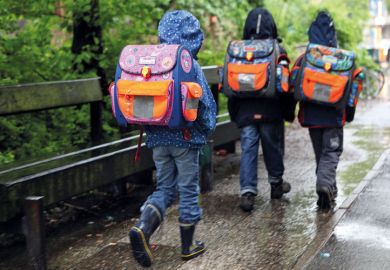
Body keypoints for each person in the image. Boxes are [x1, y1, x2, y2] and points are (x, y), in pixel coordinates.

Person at [128, 10, 217, 267]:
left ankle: (143, 228)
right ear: (193, 37)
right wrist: (205, 130)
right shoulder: (188, 65)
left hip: (157, 138)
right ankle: (188, 246)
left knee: (164, 188)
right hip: (185, 140)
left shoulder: (151, 63)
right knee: (189, 189)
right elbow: (205, 107)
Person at [226, 8, 295, 212]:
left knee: (248, 149)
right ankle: (276, 185)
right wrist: (287, 112)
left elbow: (228, 87)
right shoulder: (277, 49)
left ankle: (247, 193)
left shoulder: (236, 50)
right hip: (270, 110)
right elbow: (286, 86)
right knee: (272, 146)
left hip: (246, 112)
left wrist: (235, 113)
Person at [292, 11, 360, 209]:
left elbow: (292, 84)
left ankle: (329, 191)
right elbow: (354, 87)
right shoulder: (343, 60)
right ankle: (324, 186)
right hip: (334, 116)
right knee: (331, 154)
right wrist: (350, 113)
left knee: (321, 156)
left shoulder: (304, 58)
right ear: (333, 34)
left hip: (312, 117)